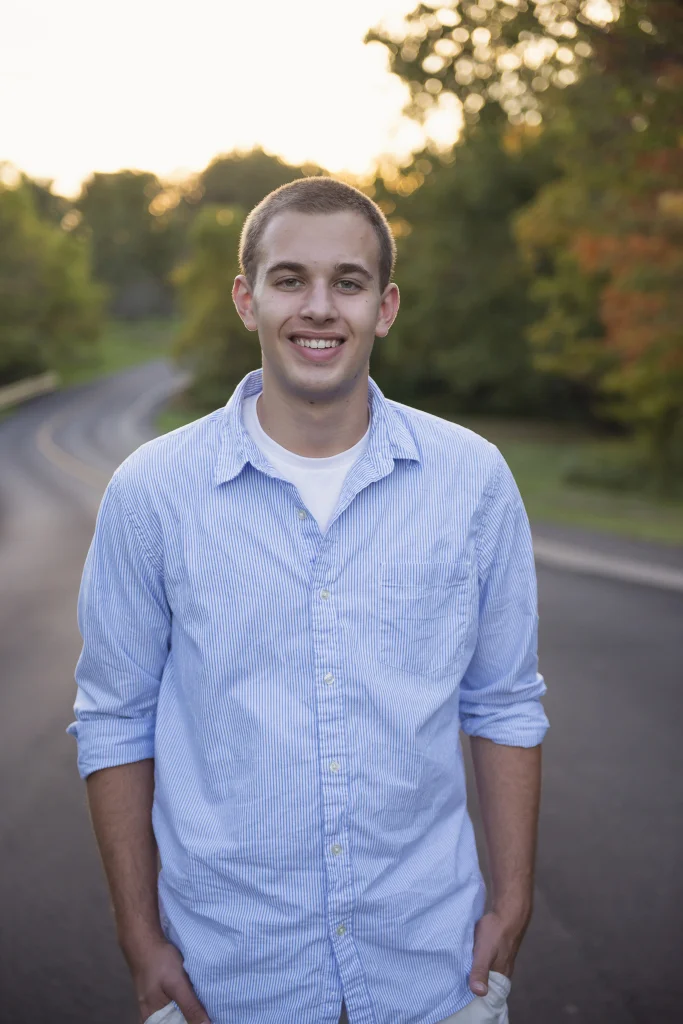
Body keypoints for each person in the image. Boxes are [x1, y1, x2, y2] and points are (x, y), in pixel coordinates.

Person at [69, 177, 549, 1024]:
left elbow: (503, 701)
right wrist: (140, 942)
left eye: (348, 283)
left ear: (385, 306)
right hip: (229, 980)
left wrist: (510, 908)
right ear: (245, 299)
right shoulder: (153, 492)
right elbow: (114, 718)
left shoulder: (471, 480)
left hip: (433, 977)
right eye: (290, 279)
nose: (319, 308)